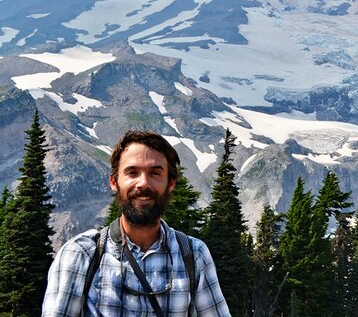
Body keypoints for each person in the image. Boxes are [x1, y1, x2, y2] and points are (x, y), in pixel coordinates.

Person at [42, 130, 231, 317]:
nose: (143, 183)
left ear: (171, 184)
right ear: (114, 182)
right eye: (132, 173)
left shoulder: (194, 254)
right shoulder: (81, 254)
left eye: (155, 173)